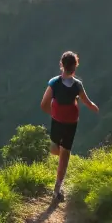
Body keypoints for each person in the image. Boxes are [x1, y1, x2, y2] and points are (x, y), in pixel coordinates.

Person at [40, 50, 99, 204]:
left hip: (66, 122)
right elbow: (86, 101)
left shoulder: (56, 83)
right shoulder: (64, 84)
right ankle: (59, 186)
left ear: (61, 65)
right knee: (56, 151)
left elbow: (44, 104)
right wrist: (94, 107)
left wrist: (53, 113)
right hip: (65, 121)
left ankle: (57, 189)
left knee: (62, 153)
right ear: (75, 66)